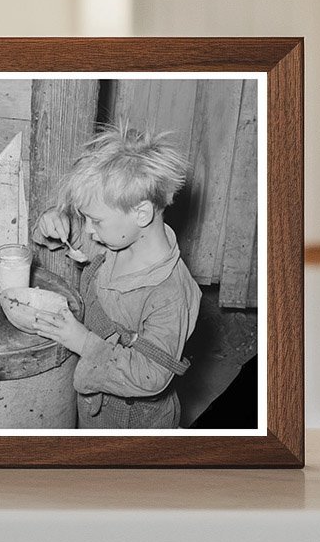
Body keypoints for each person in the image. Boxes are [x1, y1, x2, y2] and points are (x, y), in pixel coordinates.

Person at [31, 126, 201, 429]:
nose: (88, 230)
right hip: (96, 404)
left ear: (141, 214)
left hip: (134, 419)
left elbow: (151, 375)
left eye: (94, 220)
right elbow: (67, 236)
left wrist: (83, 342)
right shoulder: (116, 239)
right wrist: (50, 220)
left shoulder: (170, 294)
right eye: (85, 218)